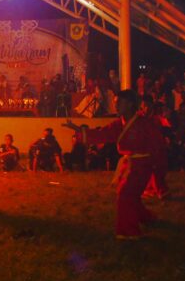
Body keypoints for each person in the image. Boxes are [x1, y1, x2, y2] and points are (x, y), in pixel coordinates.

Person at [63, 90, 164, 239]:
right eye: (115, 102)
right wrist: (79, 130)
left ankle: (129, 231)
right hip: (129, 164)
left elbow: (158, 146)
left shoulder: (145, 124)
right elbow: (102, 134)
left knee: (125, 194)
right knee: (130, 195)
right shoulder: (119, 124)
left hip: (142, 165)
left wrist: (158, 167)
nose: (116, 105)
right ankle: (147, 218)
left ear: (130, 104)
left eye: (119, 102)